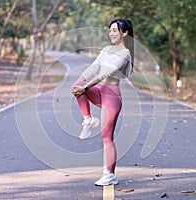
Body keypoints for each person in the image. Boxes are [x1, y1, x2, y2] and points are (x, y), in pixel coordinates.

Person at [71, 19, 134, 186]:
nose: (111, 33)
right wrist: (80, 82)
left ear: (125, 33)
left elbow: (107, 72)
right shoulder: (106, 50)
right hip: (99, 91)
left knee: (107, 136)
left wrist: (85, 87)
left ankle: (110, 174)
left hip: (112, 97)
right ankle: (89, 120)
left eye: (115, 30)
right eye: (110, 30)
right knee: (76, 86)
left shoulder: (125, 53)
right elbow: (94, 67)